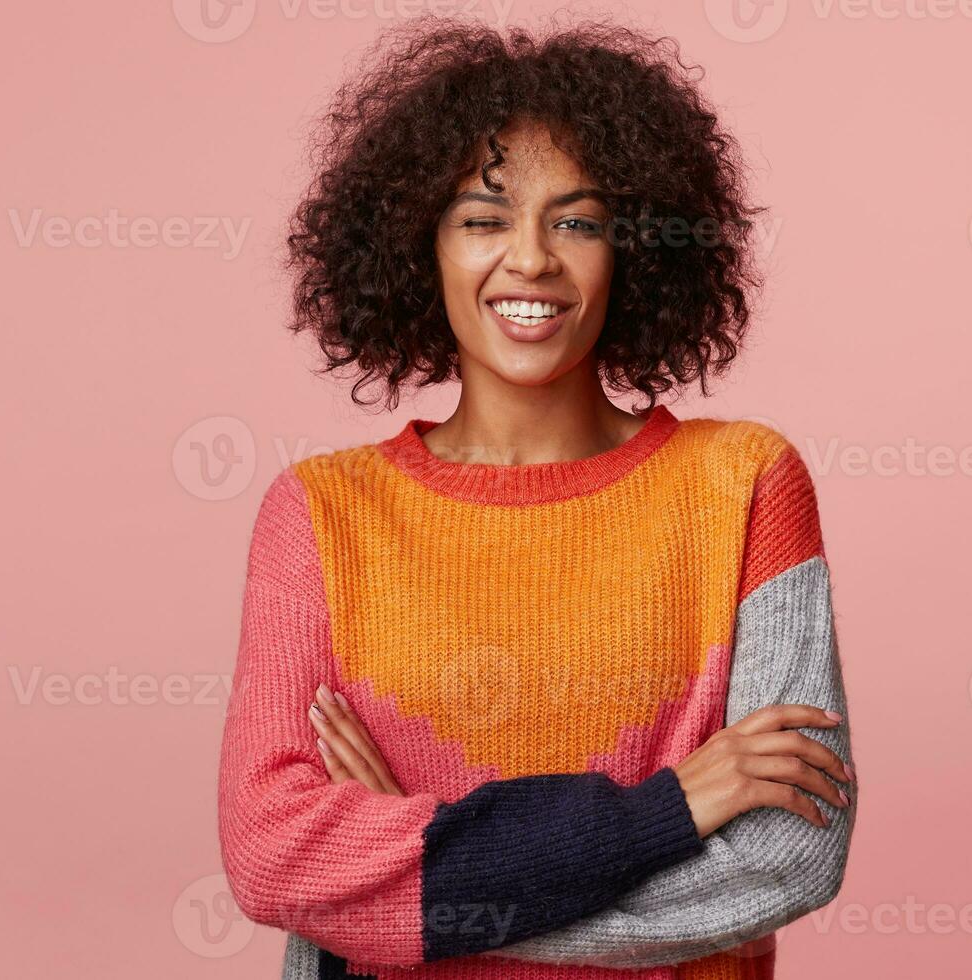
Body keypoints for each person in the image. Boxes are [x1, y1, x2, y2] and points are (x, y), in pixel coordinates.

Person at [218, 17, 856, 980]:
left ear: (632, 247)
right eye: (483, 219)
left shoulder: (747, 486)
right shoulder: (318, 516)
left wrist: (420, 884)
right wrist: (663, 813)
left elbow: (786, 859)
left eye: (577, 221)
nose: (530, 259)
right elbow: (273, 862)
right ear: (417, 247)